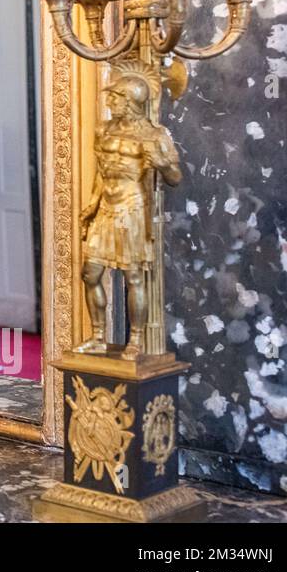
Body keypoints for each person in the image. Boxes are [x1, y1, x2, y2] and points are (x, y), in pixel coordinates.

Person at [79, 72, 181, 358]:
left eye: (115, 96)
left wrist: (161, 164)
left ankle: (135, 338)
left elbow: (175, 177)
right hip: (107, 206)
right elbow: (102, 171)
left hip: (132, 207)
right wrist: (92, 203)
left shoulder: (154, 134)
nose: (110, 100)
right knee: (90, 273)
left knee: (133, 276)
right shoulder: (104, 129)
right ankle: (98, 336)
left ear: (130, 101)